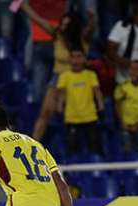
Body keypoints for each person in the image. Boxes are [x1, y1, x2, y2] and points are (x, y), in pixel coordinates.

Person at [27, 9, 95, 142]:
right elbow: (37, 19)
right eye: (62, 24)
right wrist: (21, 5)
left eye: (66, 25)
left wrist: (92, 19)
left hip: (78, 80)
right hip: (57, 79)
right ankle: (33, 146)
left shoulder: (83, 39)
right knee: (45, 113)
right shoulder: (57, 34)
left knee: (75, 117)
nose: (63, 27)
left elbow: (92, 26)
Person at [57, 48, 105, 155]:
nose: (76, 60)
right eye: (73, 57)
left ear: (84, 59)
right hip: (72, 117)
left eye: (79, 57)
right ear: (69, 59)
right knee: (72, 148)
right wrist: (59, 106)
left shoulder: (91, 75)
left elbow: (96, 91)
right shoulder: (64, 76)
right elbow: (62, 94)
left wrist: (101, 105)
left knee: (94, 147)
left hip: (90, 116)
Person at [114, 60, 138, 155]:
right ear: (129, 71)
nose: (135, 72)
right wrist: (122, 122)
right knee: (126, 150)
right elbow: (117, 105)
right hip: (125, 124)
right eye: (133, 69)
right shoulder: (122, 87)